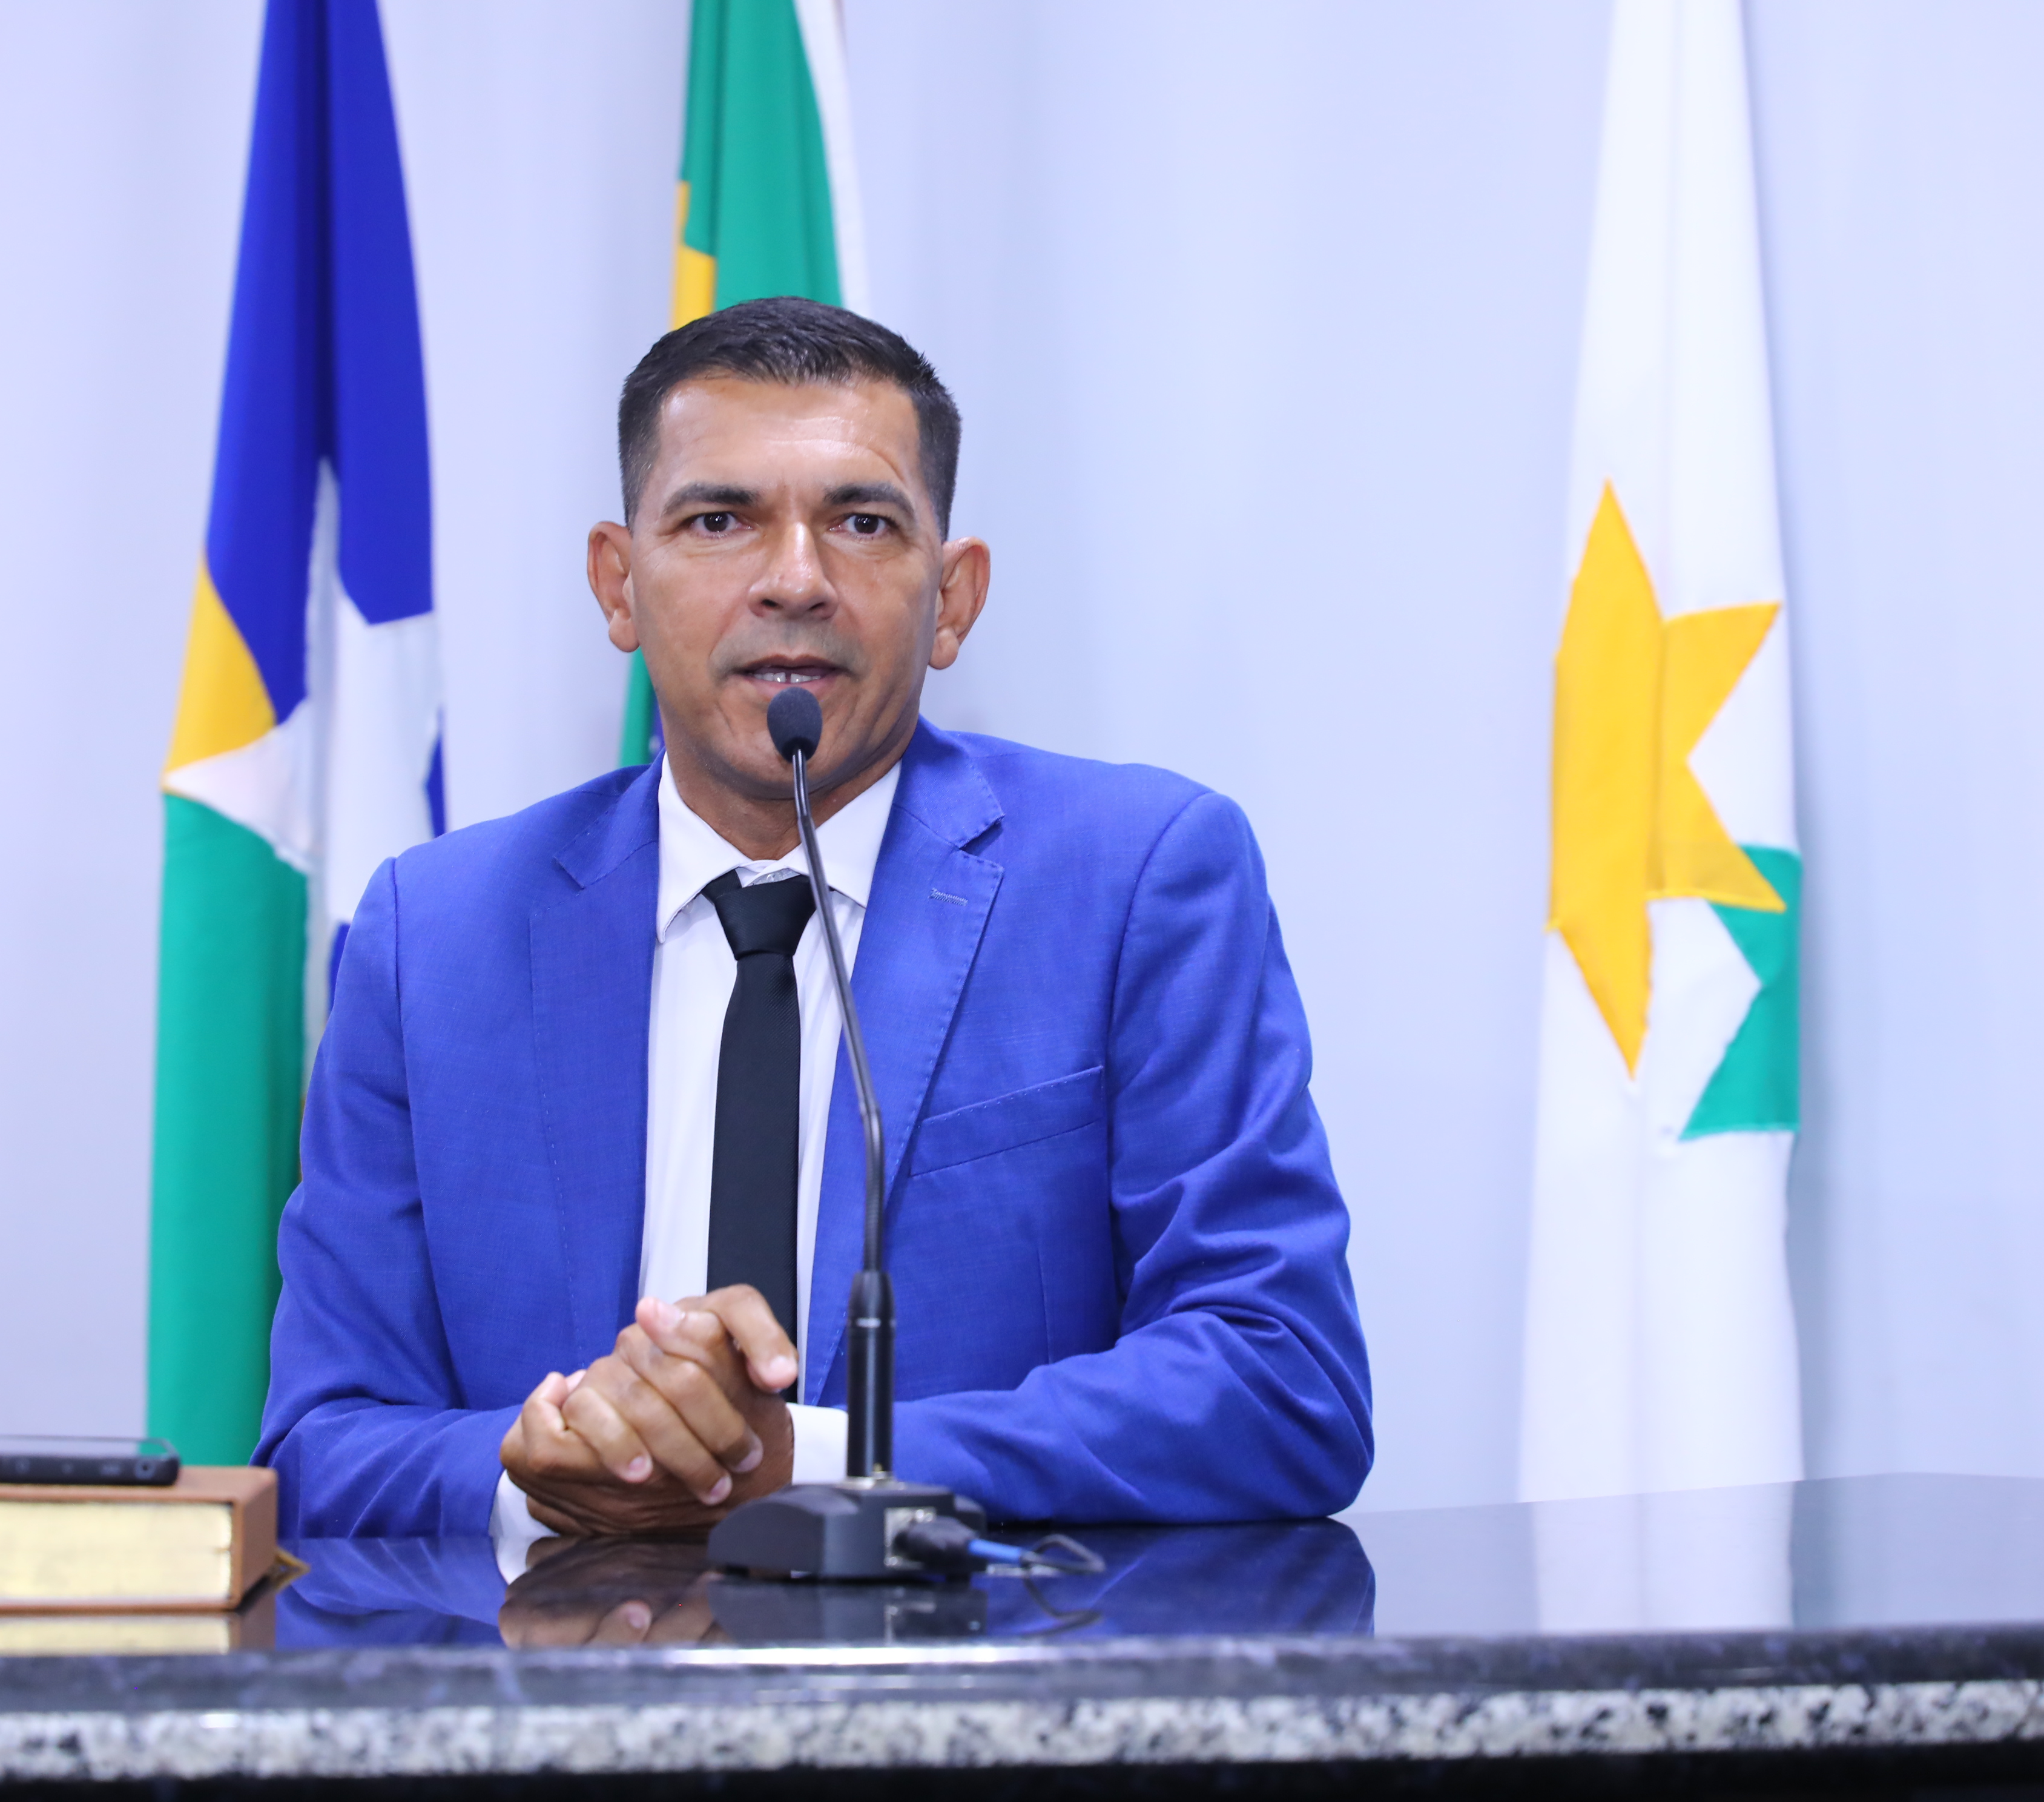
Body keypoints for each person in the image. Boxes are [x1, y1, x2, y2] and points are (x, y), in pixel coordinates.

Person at [256, 297, 1370, 1545]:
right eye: (719, 521)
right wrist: (546, 1467)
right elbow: (320, 1444)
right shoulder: (433, 939)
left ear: (953, 598)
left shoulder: (1137, 880)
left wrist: (816, 1463)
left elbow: (1282, 1379)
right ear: (618, 585)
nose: (794, 580)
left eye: (861, 523)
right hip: (563, 1664)